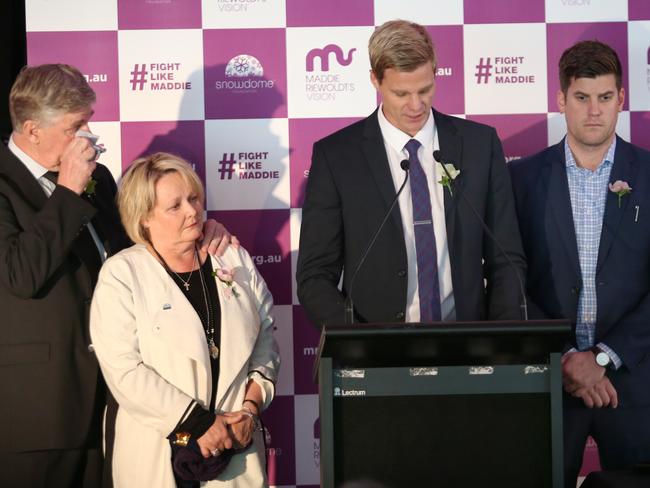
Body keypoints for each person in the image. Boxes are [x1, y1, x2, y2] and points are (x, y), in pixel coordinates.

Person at [0, 64, 235, 488]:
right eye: (76, 126)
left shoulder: (99, 178)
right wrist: (69, 191)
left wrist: (200, 232)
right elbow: (20, 274)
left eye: (87, 122)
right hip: (41, 410)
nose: (87, 136)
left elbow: (142, 255)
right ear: (33, 129)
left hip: (113, 403)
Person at [296, 20, 526, 327]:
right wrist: (360, 345)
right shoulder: (337, 156)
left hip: (468, 349)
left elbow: (506, 259)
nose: (416, 105)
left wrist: (501, 345)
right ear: (375, 80)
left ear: (435, 71)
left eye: (425, 89)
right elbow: (315, 277)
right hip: (376, 357)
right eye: (401, 93)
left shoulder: (479, 145)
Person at [90, 152, 280, 487]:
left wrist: (251, 407)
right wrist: (197, 423)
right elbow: (123, 370)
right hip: (159, 456)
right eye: (175, 206)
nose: (192, 211)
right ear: (144, 217)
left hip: (236, 454)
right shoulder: (122, 273)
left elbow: (265, 336)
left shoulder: (232, 256)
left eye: (193, 198)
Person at [509, 40, 650, 486]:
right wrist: (568, 355)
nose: (594, 111)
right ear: (561, 99)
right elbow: (508, 280)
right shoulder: (520, 179)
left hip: (634, 380)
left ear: (621, 99)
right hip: (547, 376)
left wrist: (604, 358)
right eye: (582, 97)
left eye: (605, 98)